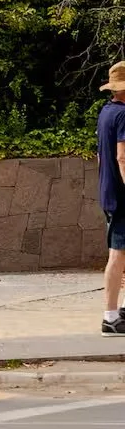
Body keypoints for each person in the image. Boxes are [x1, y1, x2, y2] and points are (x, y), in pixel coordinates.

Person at [97, 65, 125, 335]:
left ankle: (120, 311)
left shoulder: (106, 113)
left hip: (109, 192)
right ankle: (110, 317)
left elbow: (100, 157)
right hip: (121, 196)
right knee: (117, 254)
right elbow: (122, 157)